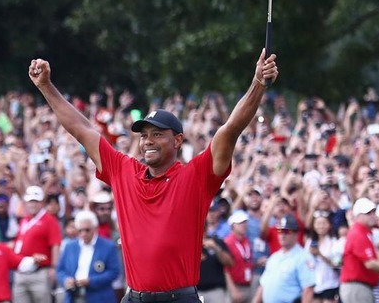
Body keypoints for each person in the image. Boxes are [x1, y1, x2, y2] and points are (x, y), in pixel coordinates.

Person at [28, 50, 278, 302]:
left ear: (178, 140)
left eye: (157, 134)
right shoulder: (123, 171)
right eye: (144, 135)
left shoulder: (196, 176)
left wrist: (257, 83)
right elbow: (81, 129)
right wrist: (46, 86)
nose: (148, 141)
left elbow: (231, 129)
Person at [339, 198, 379, 303]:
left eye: (373, 212)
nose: (372, 215)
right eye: (368, 213)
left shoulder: (365, 233)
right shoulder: (358, 233)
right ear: (357, 216)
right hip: (356, 286)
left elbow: (374, 261)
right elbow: (370, 264)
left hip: (361, 286)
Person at [11, 185, 62, 303]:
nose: (32, 205)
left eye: (35, 201)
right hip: (21, 270)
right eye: (30, 202)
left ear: (41, 202)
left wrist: (54, 267)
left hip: (40, 271)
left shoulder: (50, 220)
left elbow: (55, 244)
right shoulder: (25, 219)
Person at [56, 210, 121, 303]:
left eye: (87, 230)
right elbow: (60, 270)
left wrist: (91, 281)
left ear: (95, 228)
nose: (83, 233)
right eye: (80, 230)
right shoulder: (70, 246)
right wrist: (66, 280)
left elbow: (114, 272)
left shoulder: (108, 246)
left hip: (100, 297)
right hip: (74, 296)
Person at [255, 214, 315, 303]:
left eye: (286, 231)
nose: (282, 235)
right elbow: (263, 286)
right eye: (280, 230)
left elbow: (308, 290)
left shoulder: (303, 257)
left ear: (296, 234)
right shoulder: (274, 257)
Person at [305, 210, 342, 303]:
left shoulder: (335, 242)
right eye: (318, 223)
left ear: (329, 225)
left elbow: (337, 264)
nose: (321, 226)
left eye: (324, 223)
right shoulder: (309, 242)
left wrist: (320, 254)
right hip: (314, 283)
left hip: (330, 284)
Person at [197, 224, 233, 303]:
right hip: (196, 291)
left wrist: (216, 248)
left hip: (216, 291)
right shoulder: (189, 244)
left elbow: (230, 263)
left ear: (206, 229)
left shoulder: (216, 241)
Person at [224, 211, 254, 302]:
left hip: (248, 285)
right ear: (233, 225)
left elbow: (244, 261)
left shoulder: (246, 240)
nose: (244, 225)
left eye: (245, 222)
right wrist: (233, 290)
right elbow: (225, 269)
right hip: (236, 287)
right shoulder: (228, 242)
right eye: (240, 223)